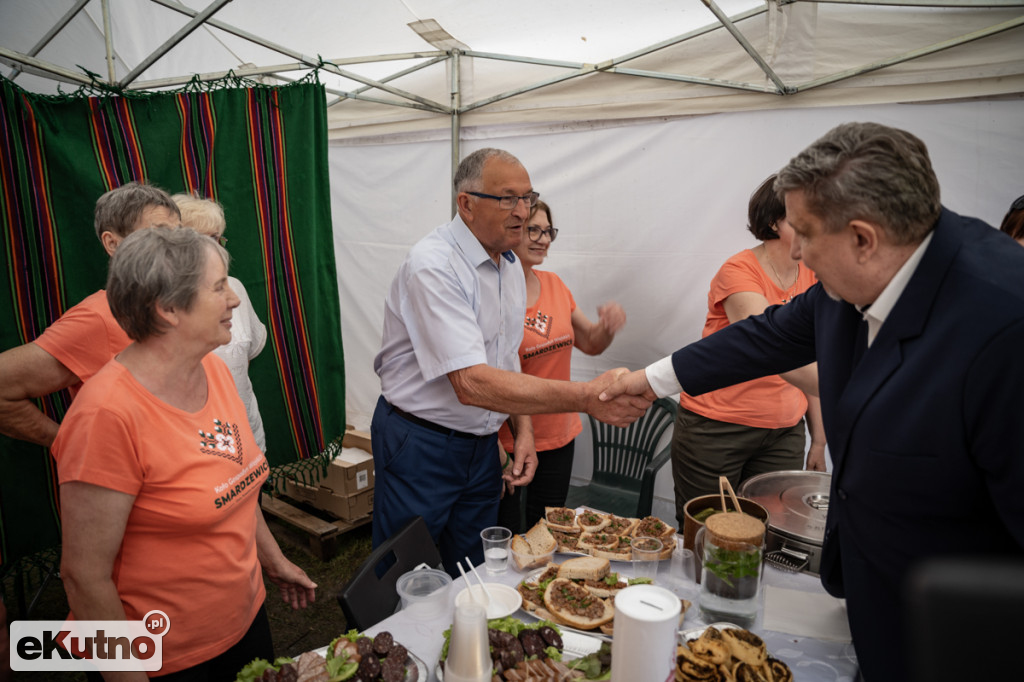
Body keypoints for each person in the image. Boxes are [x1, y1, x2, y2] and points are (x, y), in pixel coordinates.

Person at [599, 122, 1024, 682]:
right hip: (869, 599)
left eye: (803, 232)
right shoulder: (853, 276)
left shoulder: (1004, 322)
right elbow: (765, 336)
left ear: (862, 238)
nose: (794, 249)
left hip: (957, 638)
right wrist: (650, 381)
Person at [52, 227, 316, 679]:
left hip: (247, 623)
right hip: (168, 659)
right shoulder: (106, 417)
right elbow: (83, 577)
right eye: (218, 287)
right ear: (168, 308)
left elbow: (234, 479)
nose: (234, 299)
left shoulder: (211, 368)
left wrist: (272, 560)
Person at [373, 148, 649, 575]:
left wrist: (523, 432)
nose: (523, 210)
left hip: (481, 447)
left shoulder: (507, 266)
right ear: (466, 204)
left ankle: (463, 640)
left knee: (475, 569)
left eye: (528, 197)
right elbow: (472, 383)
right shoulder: (434, 266)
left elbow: (505, 361)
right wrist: (587, 397)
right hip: (422, 444)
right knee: (409, 571)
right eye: (508, 198)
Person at [670, 174, 826, 527]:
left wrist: (819, 438)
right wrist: (852, 383)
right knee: (711, 533)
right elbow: (773, 350)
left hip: (784, 430)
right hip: (718, 428)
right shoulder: (739, 271)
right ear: (774, 222)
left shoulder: (811, 274)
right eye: (801, 216)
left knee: (771, 533)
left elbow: (812, 356)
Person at [0, 181, 180, 447]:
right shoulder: (99, 316)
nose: (176, 246)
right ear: (112, 243)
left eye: (179, 235)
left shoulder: (179, 305)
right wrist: (71, 444)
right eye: (159, 234)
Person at [496, 200, 626, 532]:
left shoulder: (554, 284)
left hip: (559, 436)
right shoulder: (494, 292)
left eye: (548, 231)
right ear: (513, 232)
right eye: (532, 230)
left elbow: (591, 343)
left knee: (548, 530)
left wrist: (606, 328)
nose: (542, 239)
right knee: (508, 531)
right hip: (509, 440)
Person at [173, 192, 269, 452]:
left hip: (248, 441)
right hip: (197, 449)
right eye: (205, 239)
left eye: (219, 239)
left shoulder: (235, 287)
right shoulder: (165, 301)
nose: (216, 248)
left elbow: (246, 358)